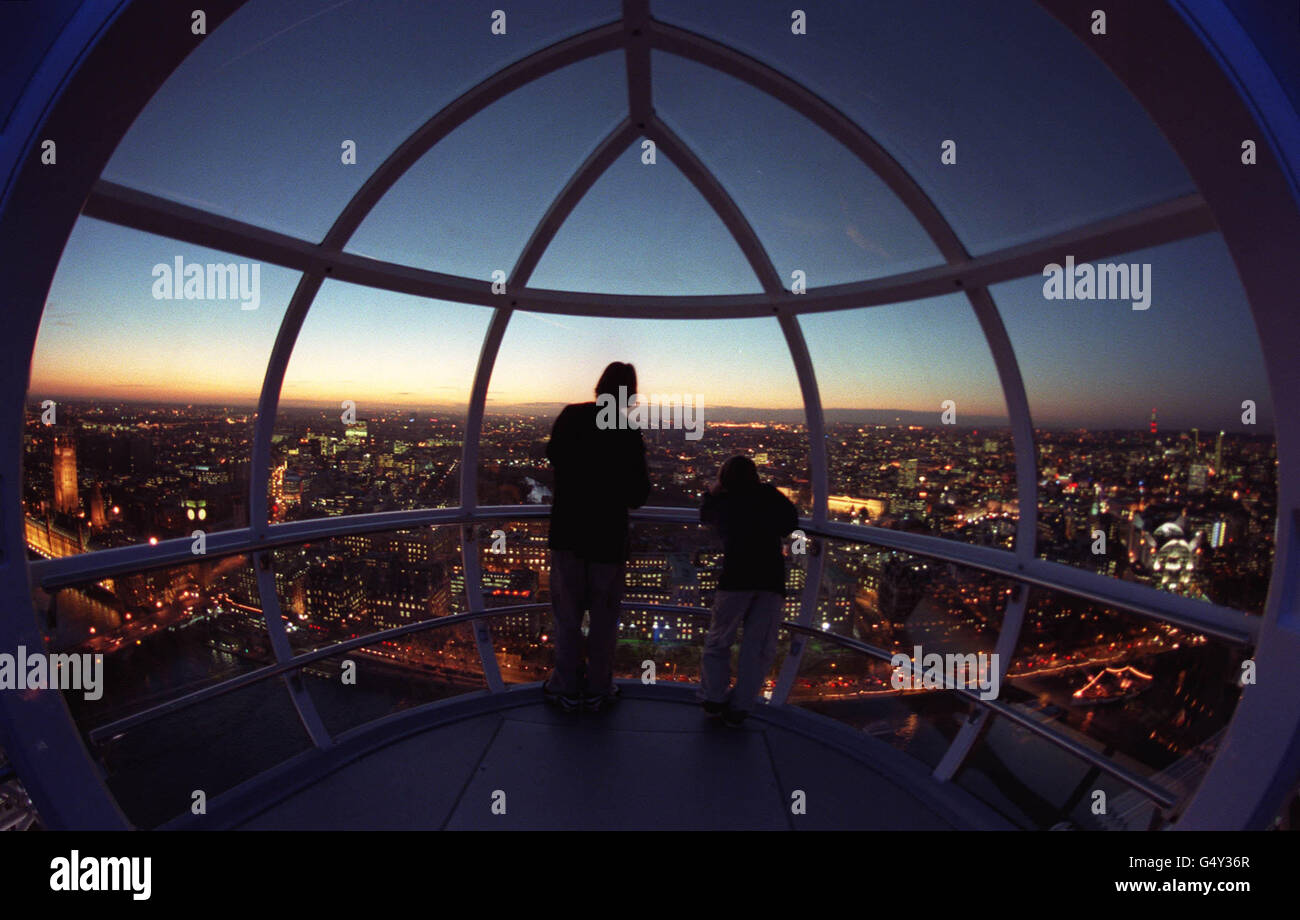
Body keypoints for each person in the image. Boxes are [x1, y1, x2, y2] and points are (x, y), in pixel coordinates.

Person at [542, 362, 651, 712]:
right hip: (607, 540)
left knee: (567, 619)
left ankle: (566, 686)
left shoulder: (571, 417)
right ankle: (598, 688)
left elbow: (554, 457)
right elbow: (637, 495)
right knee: (604, 623)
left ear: (598, 387)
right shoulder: (628, 433)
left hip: (569, 534)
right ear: (630, 394)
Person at [698, 455, 798, 727]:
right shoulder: (767, 495)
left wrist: (713, 492)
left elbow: (705, 515)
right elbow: (790, 522)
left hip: (736, 576)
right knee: (758, 646)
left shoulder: (724, 501)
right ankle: (740, 707)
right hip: (770, 578)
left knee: (719, 640)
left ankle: (714, 699)